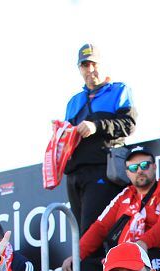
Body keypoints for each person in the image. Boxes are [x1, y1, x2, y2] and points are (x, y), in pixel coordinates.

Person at [64, 146, 160, 271]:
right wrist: (77, 254)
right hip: (129, 257)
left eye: (144, 165)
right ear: (127, 173)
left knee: (147, 264)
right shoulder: (124, 196)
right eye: (133, 168)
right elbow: (100, 227)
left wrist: (143, 243)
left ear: (154, 167)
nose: (139, 170)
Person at [62, 44, 136, 235]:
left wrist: (96, 126)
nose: (90, 70)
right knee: (81, 237)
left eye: (94, 64)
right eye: (85, 65)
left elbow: (129, 125)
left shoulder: (119, 90)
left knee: (92, 235)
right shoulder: (73, 101)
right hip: (75, 176)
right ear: (79, 68)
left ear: (102, 64)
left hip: (104, 170)